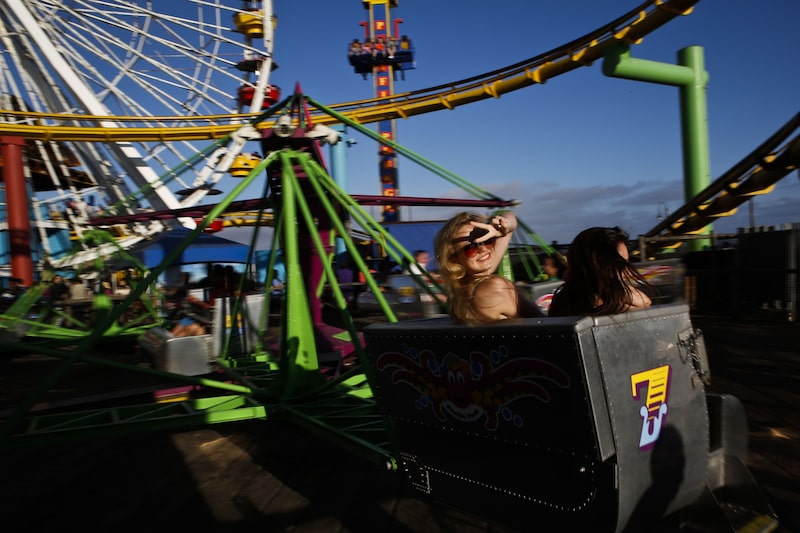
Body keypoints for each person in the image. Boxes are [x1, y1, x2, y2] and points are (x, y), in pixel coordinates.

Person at [434, 211, 544, 324]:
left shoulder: (465, 291)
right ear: (454, 258)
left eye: (486, 240)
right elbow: (544, 328)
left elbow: (510, 217)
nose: (483, 249)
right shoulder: (493, 288)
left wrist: (503, 225)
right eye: (470, 247)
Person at [548, 226, 653, 317]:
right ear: (598, 265)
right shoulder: (587, 304)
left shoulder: (566, 299)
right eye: (621, 265)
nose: (627, 271)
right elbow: (644, 301)